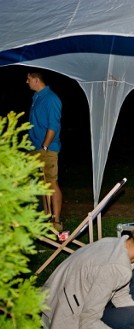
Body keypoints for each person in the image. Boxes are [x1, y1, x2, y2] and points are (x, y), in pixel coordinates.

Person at [26, 70, 64, 232]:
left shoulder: (51, 99)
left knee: (51, 182)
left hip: (47, 149)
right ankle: (47, 220)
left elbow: (53, 125)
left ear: (36, 80)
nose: (26, 82)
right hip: (36, 148)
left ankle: (56, 221)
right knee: (43, 185)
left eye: (28, 79)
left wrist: (45, 146)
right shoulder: (37, 98)